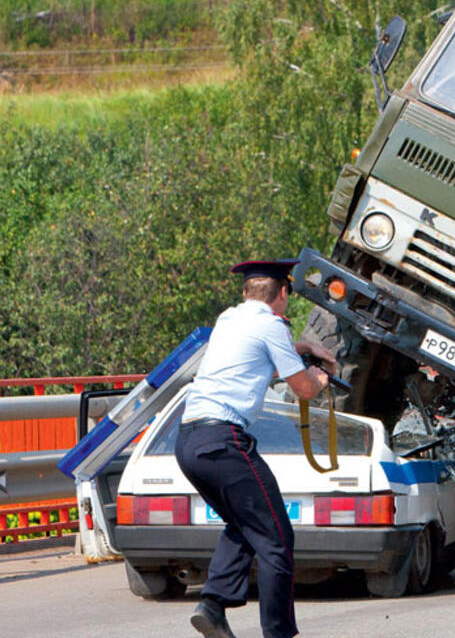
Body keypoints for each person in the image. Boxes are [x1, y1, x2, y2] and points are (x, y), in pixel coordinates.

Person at [175, 258, 335, 638]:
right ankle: (277, 633)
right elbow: (304, 389)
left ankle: (213, 606)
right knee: (277, 539)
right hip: (224, 442)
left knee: (246, 524)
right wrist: (320, 376)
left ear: (246, 292)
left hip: (189, 442)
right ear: (283, 293)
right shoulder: (271, 324)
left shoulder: (229, 320)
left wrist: (300, 347)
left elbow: (253, 356)